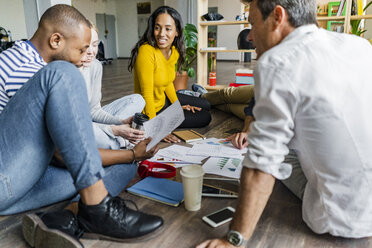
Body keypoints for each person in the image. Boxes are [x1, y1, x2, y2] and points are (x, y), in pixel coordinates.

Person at [197, 0, 372, 247]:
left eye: (253, 24)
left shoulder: (278, 61)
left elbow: (261, 166)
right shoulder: (360, 45)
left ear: (278, 17)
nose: (249, 37)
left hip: (341, 217)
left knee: (274, 155)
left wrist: (233, 240)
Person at [0, 5, 162, 248]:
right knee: (63, 74)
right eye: (81, 49)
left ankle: (65, 218)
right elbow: (64, 155)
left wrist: (129, 156)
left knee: (126, 165)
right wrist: (127, 151)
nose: (85, 57)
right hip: (6, 178)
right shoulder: (23, 69)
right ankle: (96, 208)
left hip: (19, 183)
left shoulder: (32, 61)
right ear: (56, 40)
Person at [128, 6, 211, 143]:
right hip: (149, 112)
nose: (161, 34)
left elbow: (167, 84)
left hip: (164, 101)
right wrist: (155, 129)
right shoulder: (146, 51)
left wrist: (177, 107)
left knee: (205, 104)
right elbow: (146, 94)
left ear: (177, 31)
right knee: (204, 117)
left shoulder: (174, 52)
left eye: (168, 28)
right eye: (157, 27)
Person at [80, 23, 146, 149]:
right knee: (101, 139)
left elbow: (94, 111)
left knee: (138, 99)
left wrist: (121, 122)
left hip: (92, 121)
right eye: (85, 46)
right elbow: (76, 125)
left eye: (94, 45)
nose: (91, 52)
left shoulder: (95, 66)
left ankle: (121, 136)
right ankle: (121, 141)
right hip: (79, 127)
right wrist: (115, 130)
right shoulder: (65, 72)